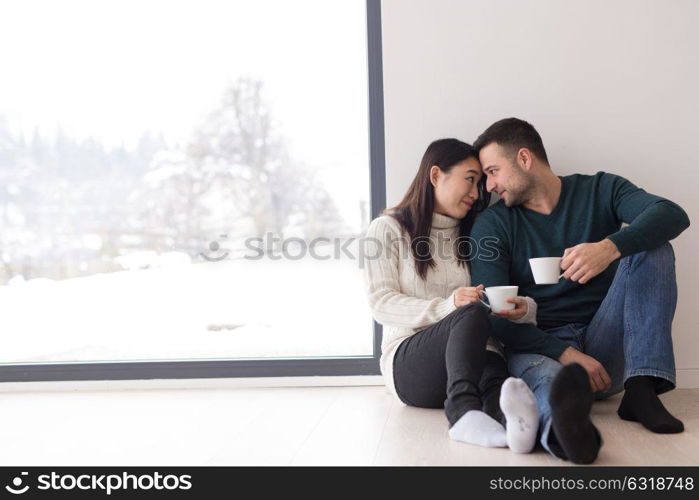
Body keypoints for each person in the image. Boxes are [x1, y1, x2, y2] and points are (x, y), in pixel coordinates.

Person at [470, 117, 691, 463]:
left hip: (608, 345)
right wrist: (566, 353)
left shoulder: (600, 189)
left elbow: (672, 214)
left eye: (493, 171)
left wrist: (609, 248)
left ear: (524, 159)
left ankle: (642, 388)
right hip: (541, 346)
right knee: (548, 381)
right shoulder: (493, 224)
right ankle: (562, 433)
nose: (489, 186)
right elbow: (494, 316)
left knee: (655, 247)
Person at [362, 138, 545, 452]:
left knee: (494, 372)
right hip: (412, 367)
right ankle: (461, 414)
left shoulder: (476, 235)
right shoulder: (388, 229)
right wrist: (448, 306)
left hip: (477, 360)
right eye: (471, 180)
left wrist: (524, 308)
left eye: (481, 184)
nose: (477, 194)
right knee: (469, 315)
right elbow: (381, 303)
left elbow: (498, 293)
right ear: (436, 175)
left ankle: (514, 426)